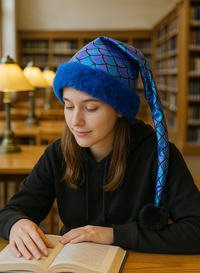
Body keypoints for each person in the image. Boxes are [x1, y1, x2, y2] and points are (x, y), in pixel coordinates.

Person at [0, 36, 200, 261]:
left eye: (91, 108)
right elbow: (9, 212)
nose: (75, 121)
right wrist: (17, 223)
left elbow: (195, 229)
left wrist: (114, 235)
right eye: (68, 106)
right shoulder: (57, 154)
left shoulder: (160, 155)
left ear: (120, 109)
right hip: (71, 271)